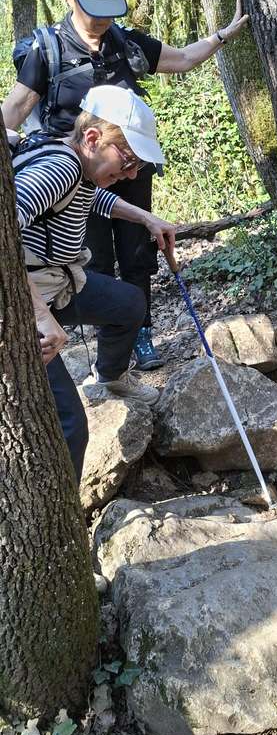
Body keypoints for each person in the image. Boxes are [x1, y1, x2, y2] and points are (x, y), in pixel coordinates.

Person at [2, 0, 248, 370]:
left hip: (125, 160)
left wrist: (222, 35)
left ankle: (139, 335)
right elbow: (14, 109)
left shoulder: (124, 42)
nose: (102, 20)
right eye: (93, 10)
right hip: (78, 166)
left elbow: (183, 59)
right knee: (95, 258)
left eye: (108, 11)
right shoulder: (48, 51)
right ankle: (83, 337)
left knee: (136, 254)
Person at [14, 83, 177, 482]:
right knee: (70, 425)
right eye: (128, 160)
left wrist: (145, 217)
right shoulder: (60, 168)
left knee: (128, 303)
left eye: (138, 166)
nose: (132, 174)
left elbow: (90, 198)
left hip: (57, 284)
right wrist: (40, 316)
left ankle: (109, 379)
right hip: (21, 303)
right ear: (92, 138)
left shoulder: (77, 165)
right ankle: (61, 512)